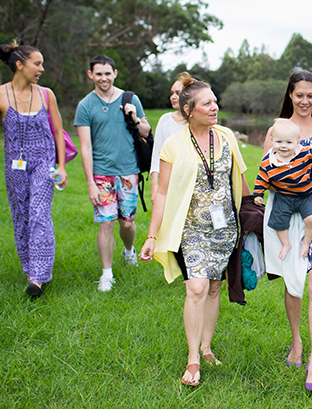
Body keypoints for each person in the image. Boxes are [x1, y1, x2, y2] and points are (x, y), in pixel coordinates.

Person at [139, 77, 250, 386]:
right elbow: (161, 193)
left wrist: (251, 217)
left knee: (214, 288)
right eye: (207, 103)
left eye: (215, 101)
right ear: (189, 110)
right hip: (190, 230)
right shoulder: (172, 144)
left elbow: (240, 178)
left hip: (225, 228)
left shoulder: (226, 136)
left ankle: (207, 346)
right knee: (197, 288)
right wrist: (151, 235)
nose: (214, 107)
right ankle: (193, 358)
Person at [262, 70, 312, 391]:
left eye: (311, 95)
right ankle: (296, 341)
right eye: (299, 95)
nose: (305, 101)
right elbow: (265, 173)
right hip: (285, 211)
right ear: (290, 96)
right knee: (294, 281)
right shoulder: (277, 129)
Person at [0, 41, 68, 297]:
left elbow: (58, 130)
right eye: (37, 64)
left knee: (38, 212)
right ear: (19, 65)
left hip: (44, 164)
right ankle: (29, 267)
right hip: (15, 165)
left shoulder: (46, 94)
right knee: (22, 216)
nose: (41, 69)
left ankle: (38, 277)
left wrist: (61, 166)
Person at [74, 54, 151, 292]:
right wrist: (90, 183)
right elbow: (85, 147)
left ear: (114, 74)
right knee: (106, 224)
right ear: (91, 75)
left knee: (127, 223)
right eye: (98, 74)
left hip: (128, 171)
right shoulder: (85, 105)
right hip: (101, 174)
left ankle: (129, 250)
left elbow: (147, 132)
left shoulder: (131, 98)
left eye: (108, 73)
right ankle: (106, 274)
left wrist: (135, 117)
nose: (103, 78)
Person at [253, 118, 312, 260]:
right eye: (279, 142)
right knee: (279, 222)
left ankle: (306, 242)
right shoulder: (269, 162)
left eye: (289, 142)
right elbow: (261, 179)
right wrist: (258, 195)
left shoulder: (304, 153)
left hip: (306, 195)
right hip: (284, 196)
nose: (283, 146)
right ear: (272, 140)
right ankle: (285, 243)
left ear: (297, 142)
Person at [149, 72, 190, 203]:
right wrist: (154, 185)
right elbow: (157, 155)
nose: (173, 97)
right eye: (172, 93)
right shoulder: (165, 120)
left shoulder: (196, 122)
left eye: (178, 93)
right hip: (169, 183)